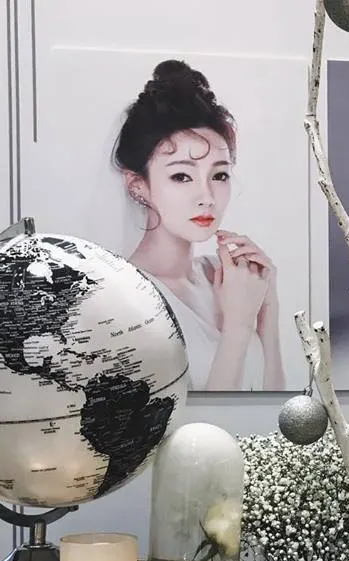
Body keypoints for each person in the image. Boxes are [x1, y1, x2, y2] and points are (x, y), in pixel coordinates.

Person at [114, 60, 284, 391]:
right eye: (181, 176)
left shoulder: (221, 275)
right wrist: (238, 326)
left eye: (219, 175)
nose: (207, 197)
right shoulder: (126, 300)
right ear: (138, 185)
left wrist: (268, 309)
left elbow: (275, 405)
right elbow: (197, 421)